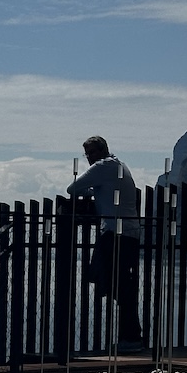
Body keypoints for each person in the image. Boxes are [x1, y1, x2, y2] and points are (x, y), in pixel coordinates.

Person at [68, 135, 143, 352]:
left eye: (92, 152)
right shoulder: (119, 165)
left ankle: (131, 338)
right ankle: (131, 336)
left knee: (116, 284)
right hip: (129, 232)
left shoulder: (102, 167)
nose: (90, 157)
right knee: (122, 284)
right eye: (87, 154)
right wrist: (97, 191)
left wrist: (92, 191)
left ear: (102, 150)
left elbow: (72, 189)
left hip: (114, 233)